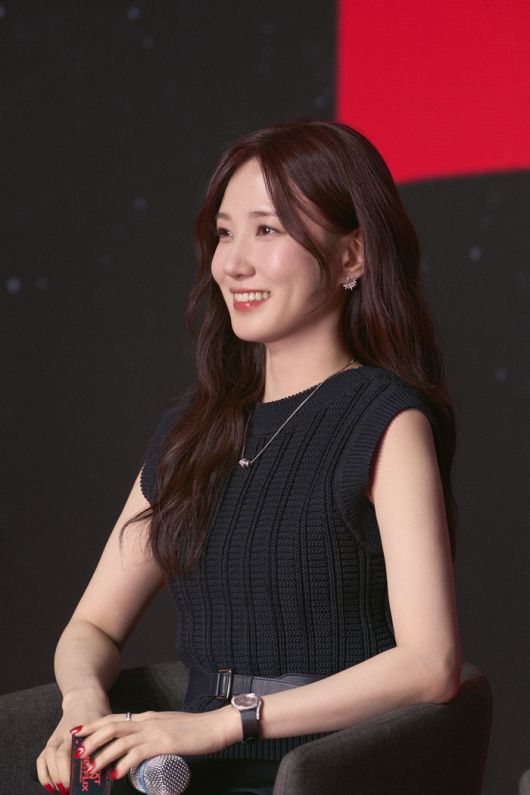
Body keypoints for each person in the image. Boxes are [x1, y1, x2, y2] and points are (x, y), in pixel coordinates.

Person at [36, 119, 461, 794]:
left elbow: (430, 664)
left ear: (352, 257)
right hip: (187, 769)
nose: (232, 263)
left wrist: (225, 723)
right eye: (225, 233)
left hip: (327, 771)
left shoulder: (385, 418)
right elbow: (91, 625)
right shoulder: (191, 431)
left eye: (267, 230)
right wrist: (83, 702)